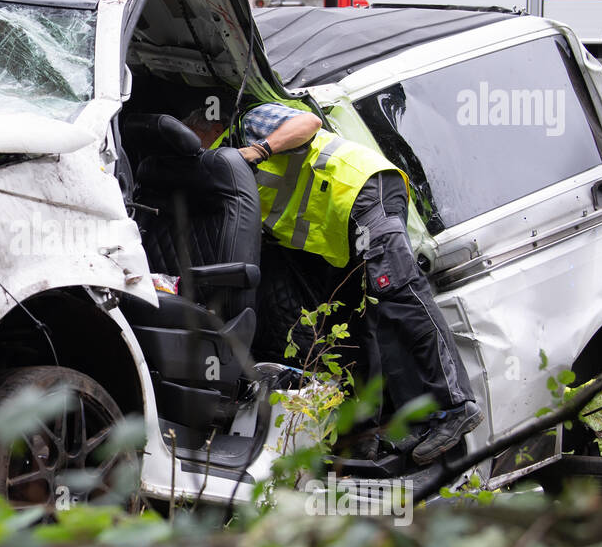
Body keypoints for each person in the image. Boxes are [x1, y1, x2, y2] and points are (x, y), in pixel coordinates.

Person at [182, 100, 481, 465]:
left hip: (361, 192)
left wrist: (259, 149)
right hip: (342, 230)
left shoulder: (247, 122)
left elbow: (307, 122)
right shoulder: (218, 173)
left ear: (209, 125)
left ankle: (455, 405)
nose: (196, 151)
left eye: (195, 140)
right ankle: (379, 431)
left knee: (399, 292)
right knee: (359, 324)